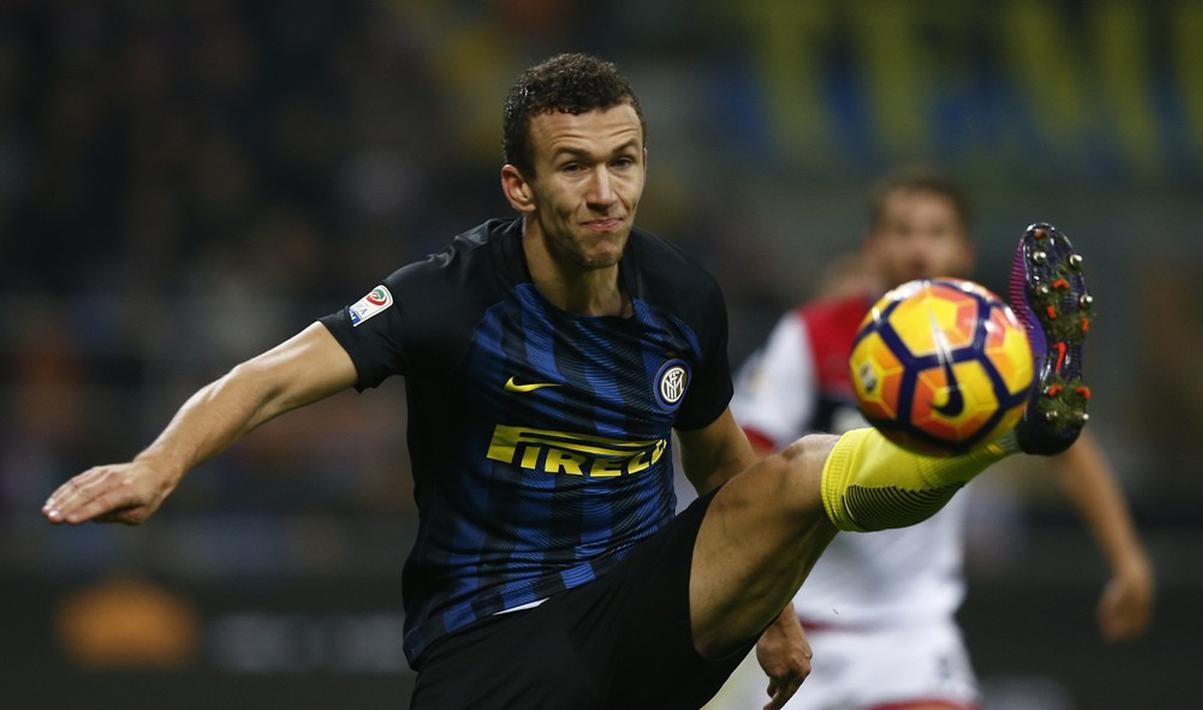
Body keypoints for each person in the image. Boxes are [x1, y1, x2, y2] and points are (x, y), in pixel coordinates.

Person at [43, 55, 1095, 709]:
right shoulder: (452, 297)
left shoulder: (681, 291)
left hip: (643, 610)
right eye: (574, 166)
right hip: (492, 650)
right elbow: (269, 377)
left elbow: (723, 459)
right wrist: (158, 460)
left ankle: (1008, 424)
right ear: (520, 183)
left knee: (803, 467)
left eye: (624, 160)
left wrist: (772, 601)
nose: (605, 191)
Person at [714, 169, 1154, 710]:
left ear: (964, 251)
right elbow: (743, 467)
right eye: (902, 231)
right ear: (872, 247)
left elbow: (1068, 446)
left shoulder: (993, 347)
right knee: (815, 466)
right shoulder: (810, 335)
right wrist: (761, 606)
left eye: (935, 232)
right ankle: (996, 437)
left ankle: (1004, 431)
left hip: (913, 638)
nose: (918, 249)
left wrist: (1128, 560)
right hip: (799, 632)